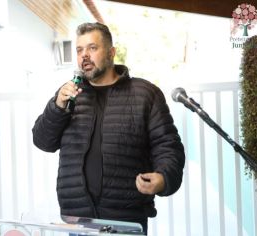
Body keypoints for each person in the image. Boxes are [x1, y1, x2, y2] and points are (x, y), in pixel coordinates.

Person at [32, 22, 185, 234]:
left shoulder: (145, 93)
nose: (84, 55)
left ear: (111, 53)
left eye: (92, 48)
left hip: (125, 221)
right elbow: (43, 141)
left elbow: (168, 146)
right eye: (79, 50)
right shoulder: (68, 94)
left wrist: (164, 177)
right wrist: (57, 107)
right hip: (77, 221)